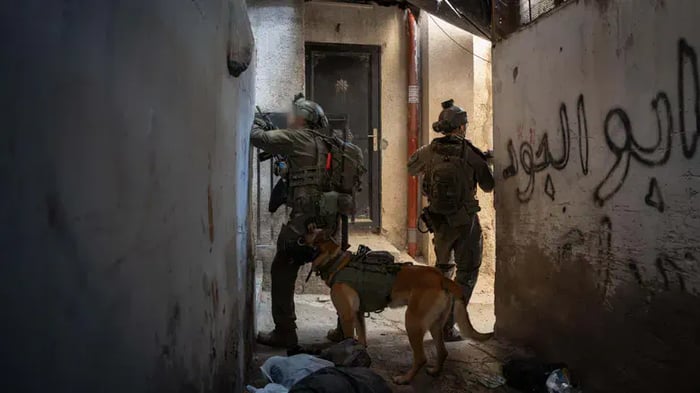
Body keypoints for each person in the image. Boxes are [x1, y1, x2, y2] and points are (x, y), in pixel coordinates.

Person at [252, 94, 340, 347]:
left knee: (282, 269)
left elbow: (260, 139)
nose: (290, 118)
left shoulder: (297, 137)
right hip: (328, 218)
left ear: (302, 118)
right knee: (336, 272)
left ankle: (285, 332)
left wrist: (255, 121)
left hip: (303, 220)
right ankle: (345, 329)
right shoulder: (325, 142)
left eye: (293, 115)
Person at [407, 99, 494, 342]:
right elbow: (488, 185)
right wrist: (483, 163)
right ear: (461, 127)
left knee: (443, 272)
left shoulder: (429, 150)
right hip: (465, 222)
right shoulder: (470, 152)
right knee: (467, 272)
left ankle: (436, 320)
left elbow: (411, 168)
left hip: (439, 223)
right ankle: (447, 326)